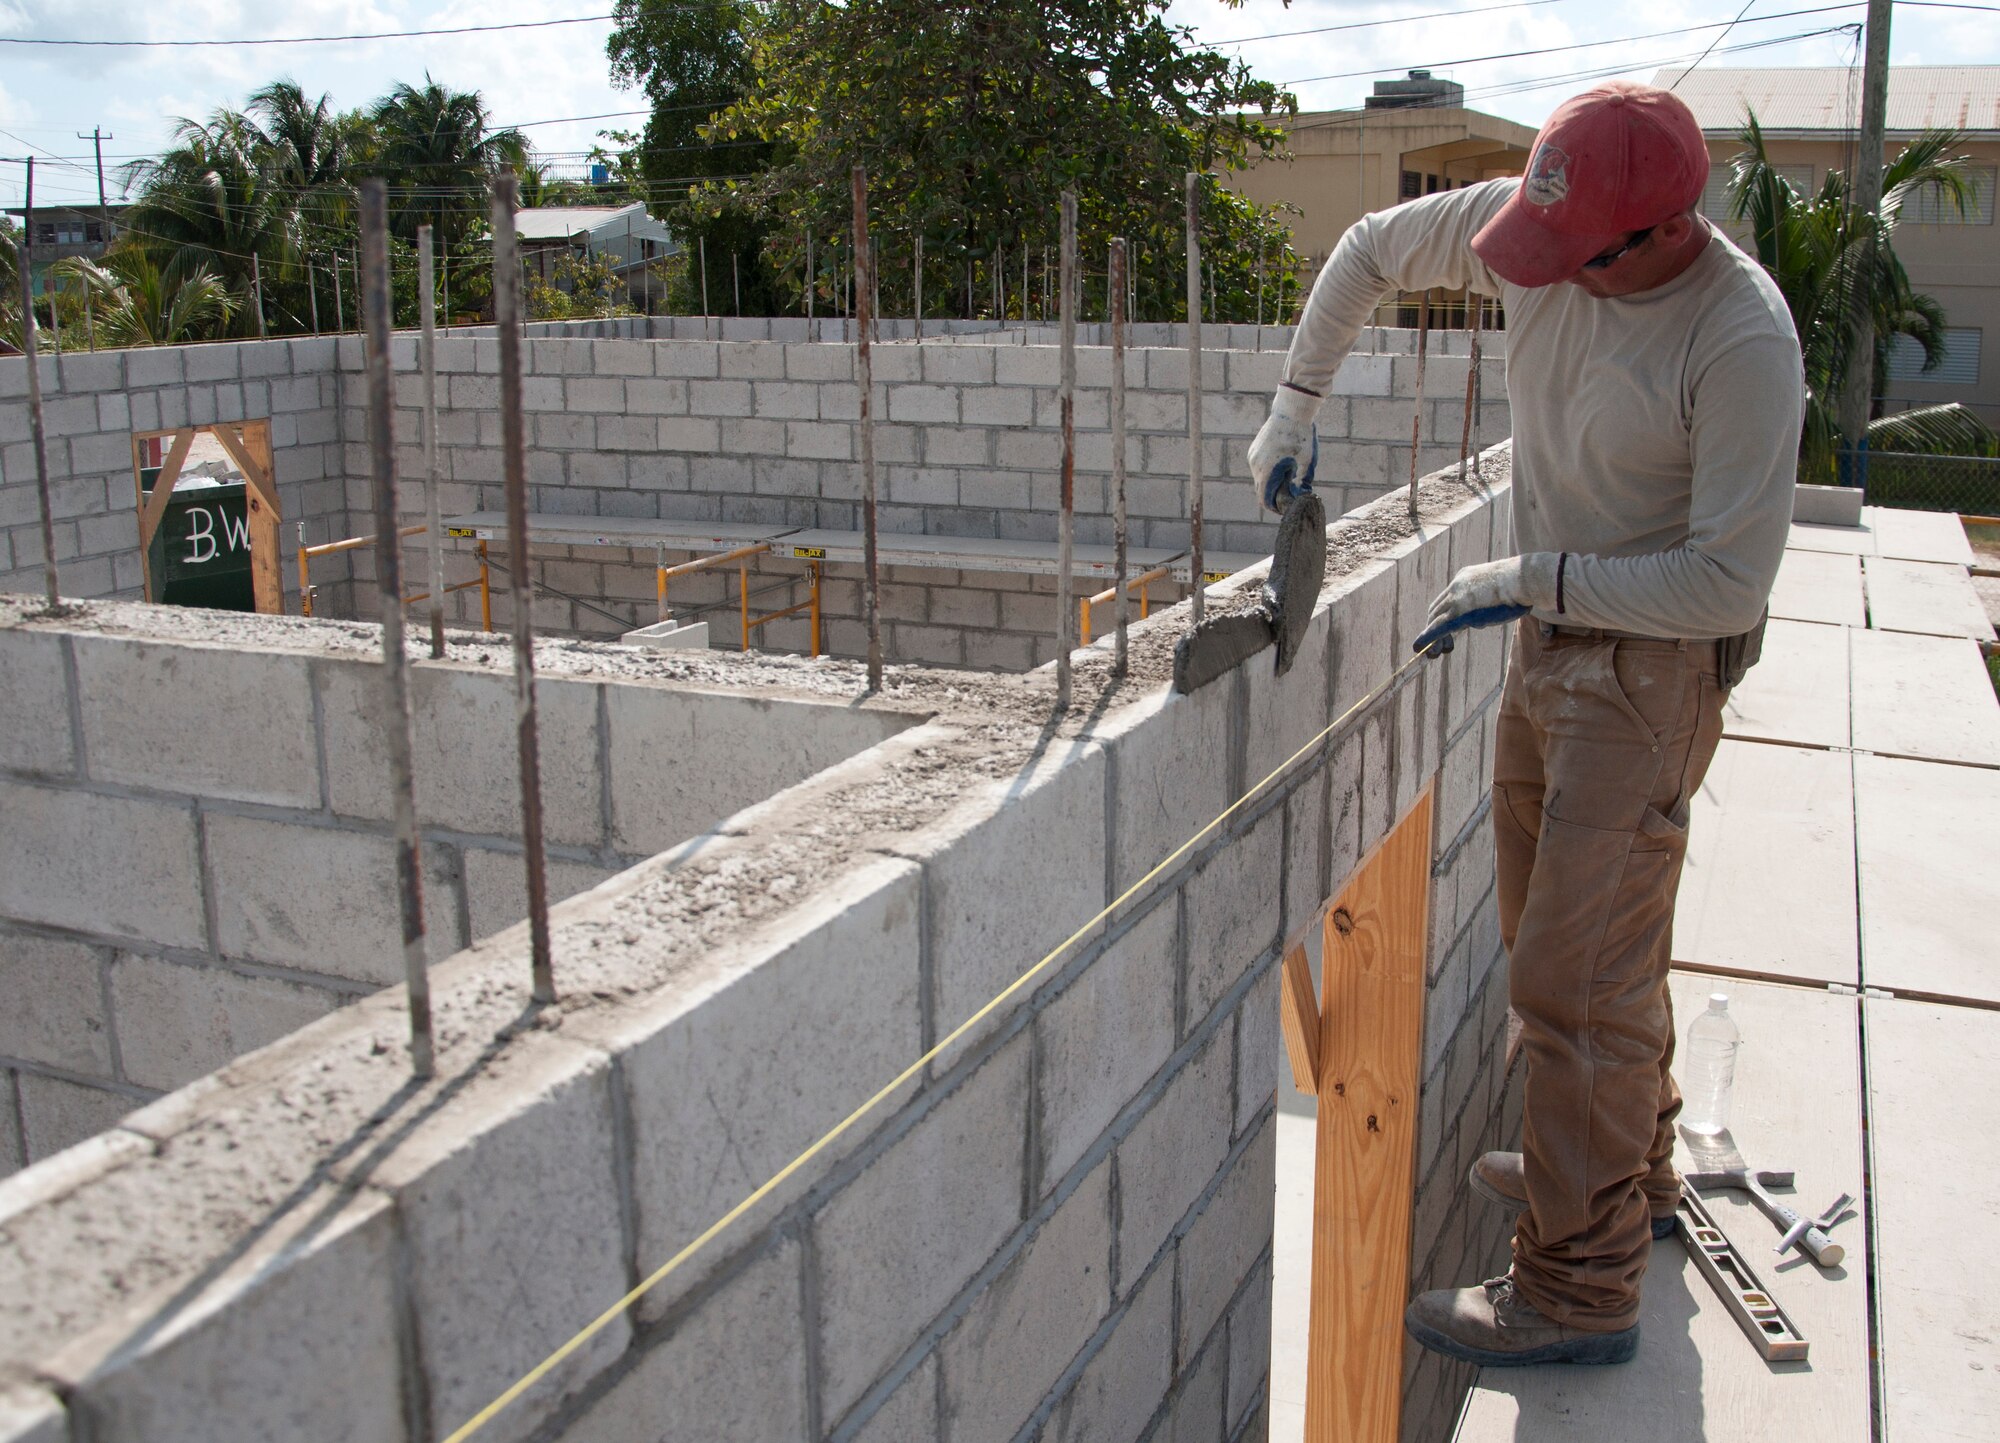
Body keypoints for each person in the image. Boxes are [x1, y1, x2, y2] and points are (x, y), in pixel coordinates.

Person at [1247, 81, 1804, 1366]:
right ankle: (1623, 1173)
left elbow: (1727, 579)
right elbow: (1368, 253)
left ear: (1654, 235)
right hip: (1551, 646)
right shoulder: (1548, 222)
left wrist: (1526, 580)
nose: (1534, 274)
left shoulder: (1737, 340)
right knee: (1567, 942)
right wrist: (1294, 405)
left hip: (1652, 673)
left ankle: (1576, 1283)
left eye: (1566, 263)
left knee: (1572, 977)